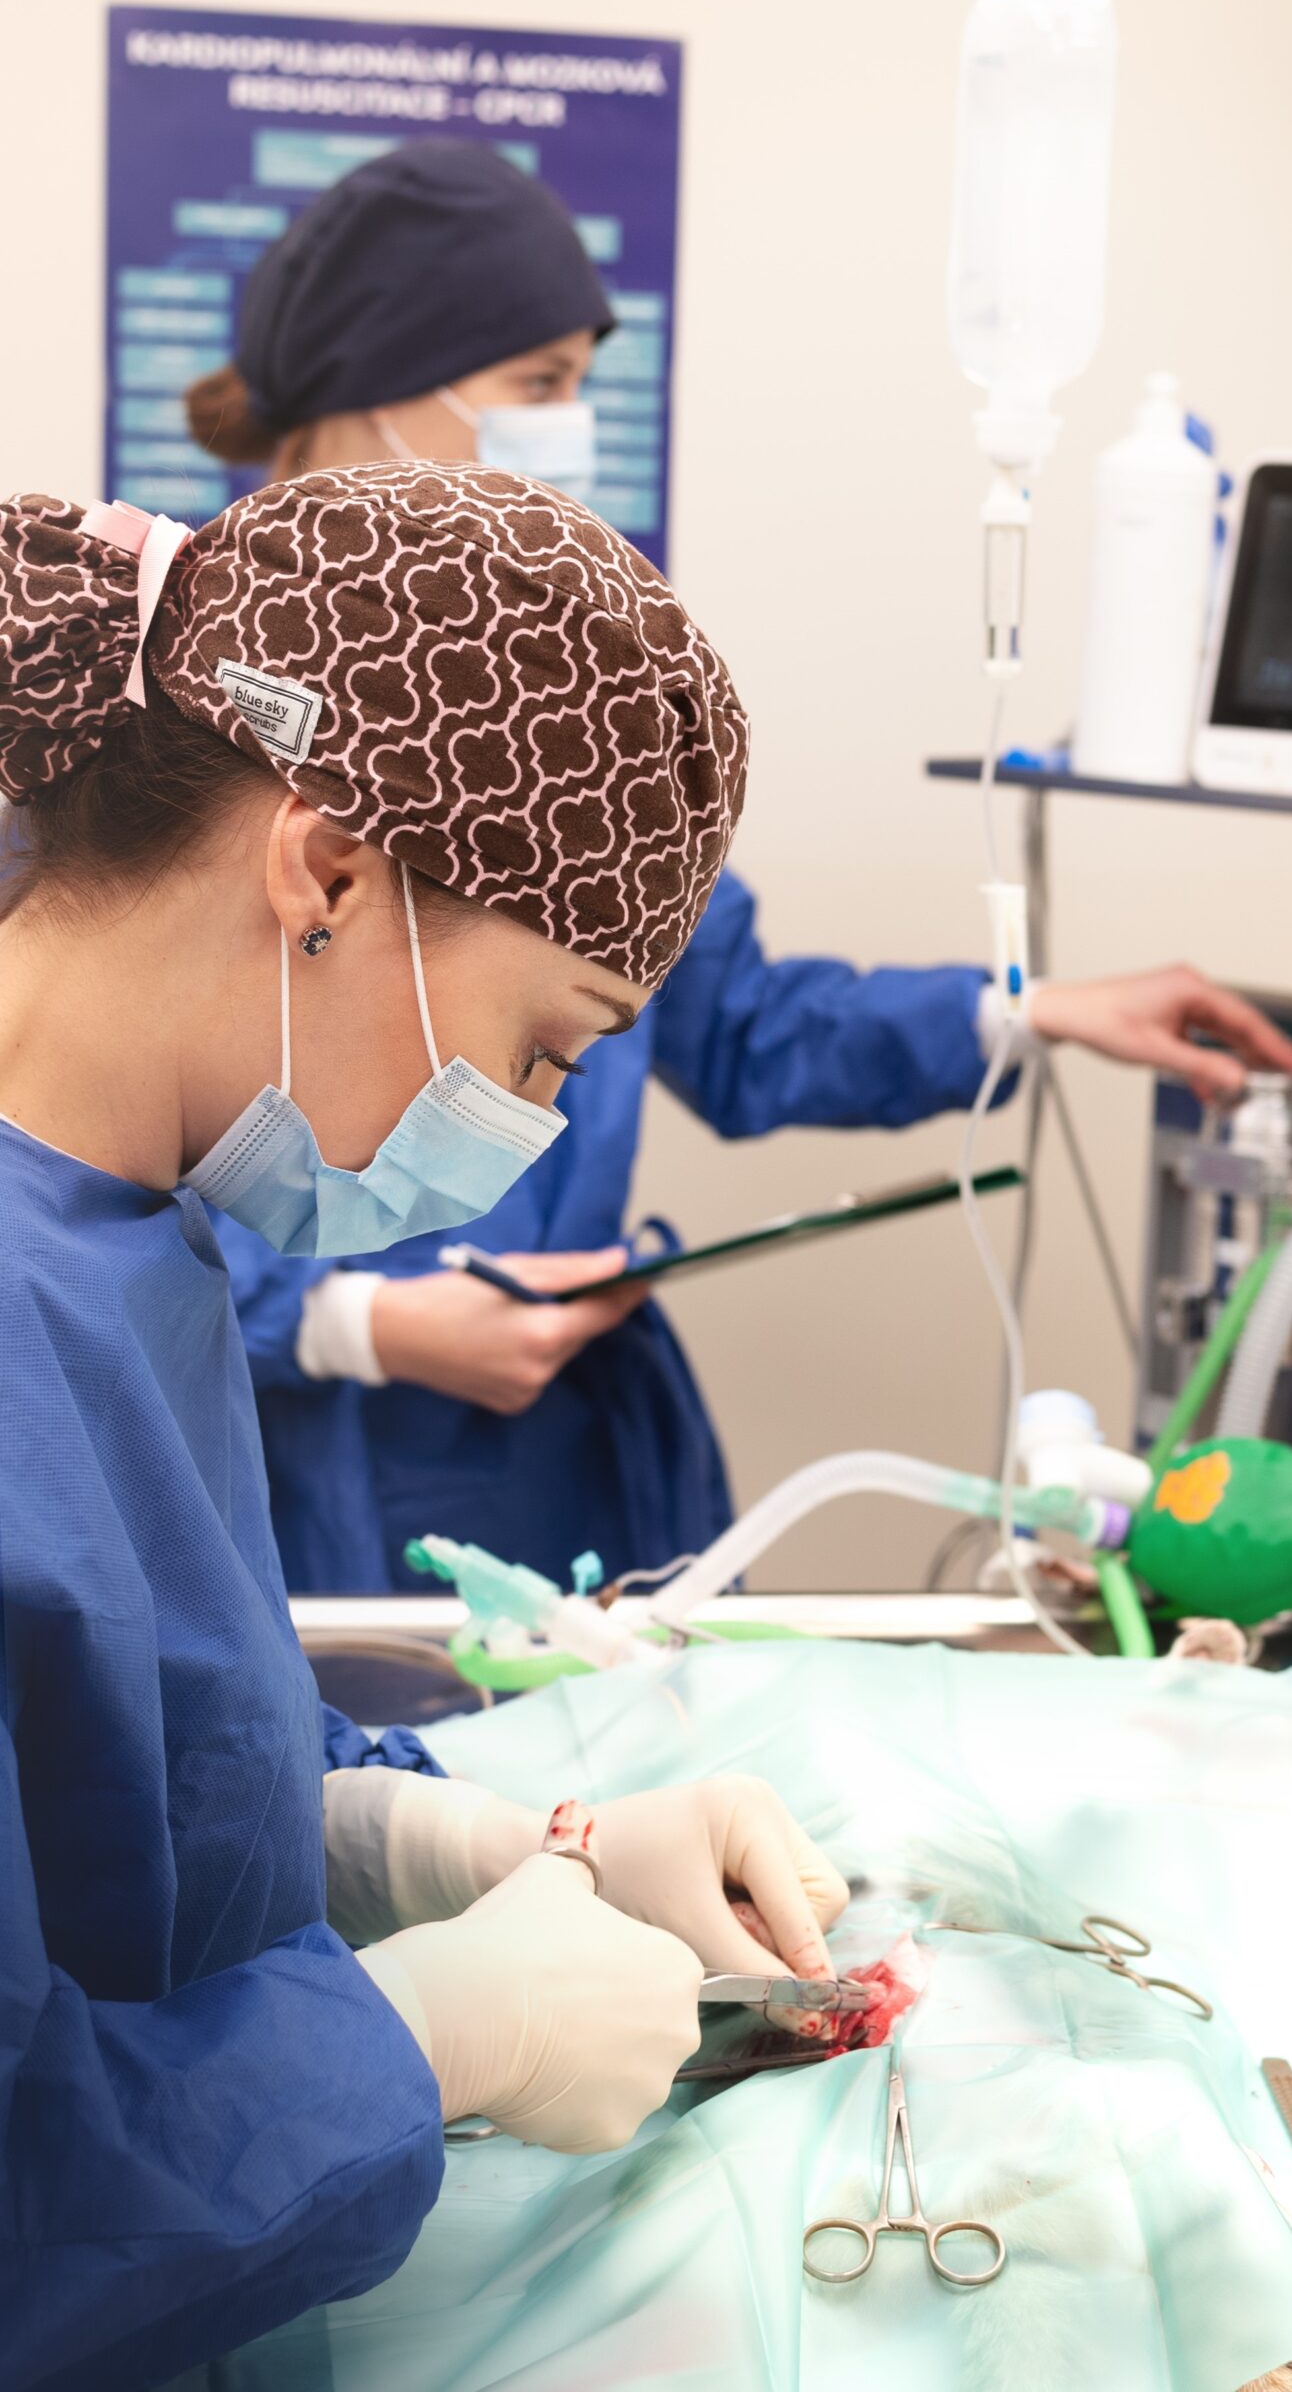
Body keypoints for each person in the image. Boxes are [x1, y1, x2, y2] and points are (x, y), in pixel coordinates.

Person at [184, 138, 1292, 1595]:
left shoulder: (563, 680)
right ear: (379, 382)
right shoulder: (184, 697)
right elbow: (78, 1120)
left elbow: (733, 1021)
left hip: (551, 1462)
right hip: (274, 1459)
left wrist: (1028, 1012)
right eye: (538, 381)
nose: (571, 427)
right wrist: (352, 1328)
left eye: (582, 383)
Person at [0, 466, 849, 2388]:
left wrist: (434, 1839)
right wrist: (426, 2039)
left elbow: (117, 1775)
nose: (530, 1124)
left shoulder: (129, 1227)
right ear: (323, 874)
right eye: (548, 1044)